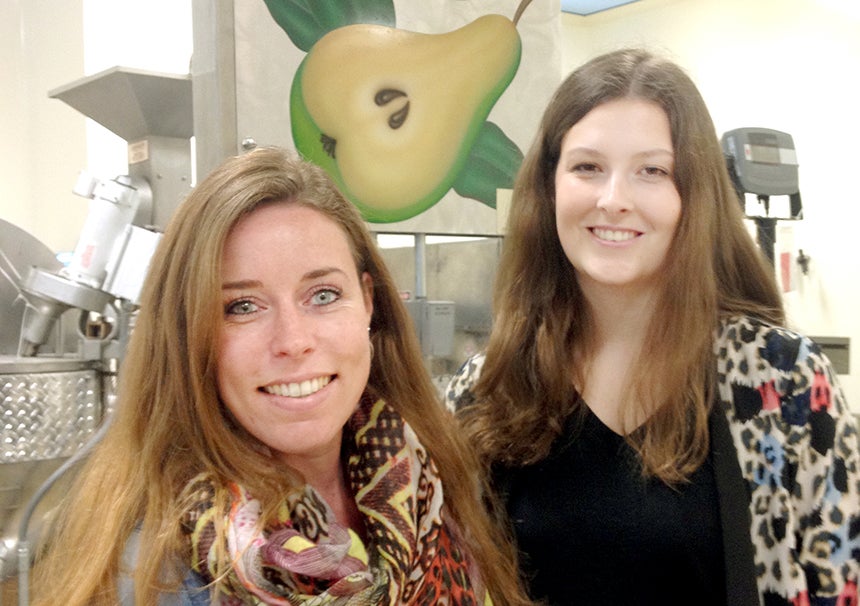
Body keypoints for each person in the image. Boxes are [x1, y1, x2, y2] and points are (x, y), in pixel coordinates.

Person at [446, 48, 860, 606]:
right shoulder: (486, 389)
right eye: (587, 167)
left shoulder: (782, 383)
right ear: (549, 187)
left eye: (652, 171)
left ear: (693, 196)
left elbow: (842, 580)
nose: (614, 200)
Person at [32, 147, 530, 606]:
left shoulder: (431, 482)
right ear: (187, 337)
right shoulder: (163, 574)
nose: (293, 341)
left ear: (368, 303)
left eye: (323, 295)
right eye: (242, 306)